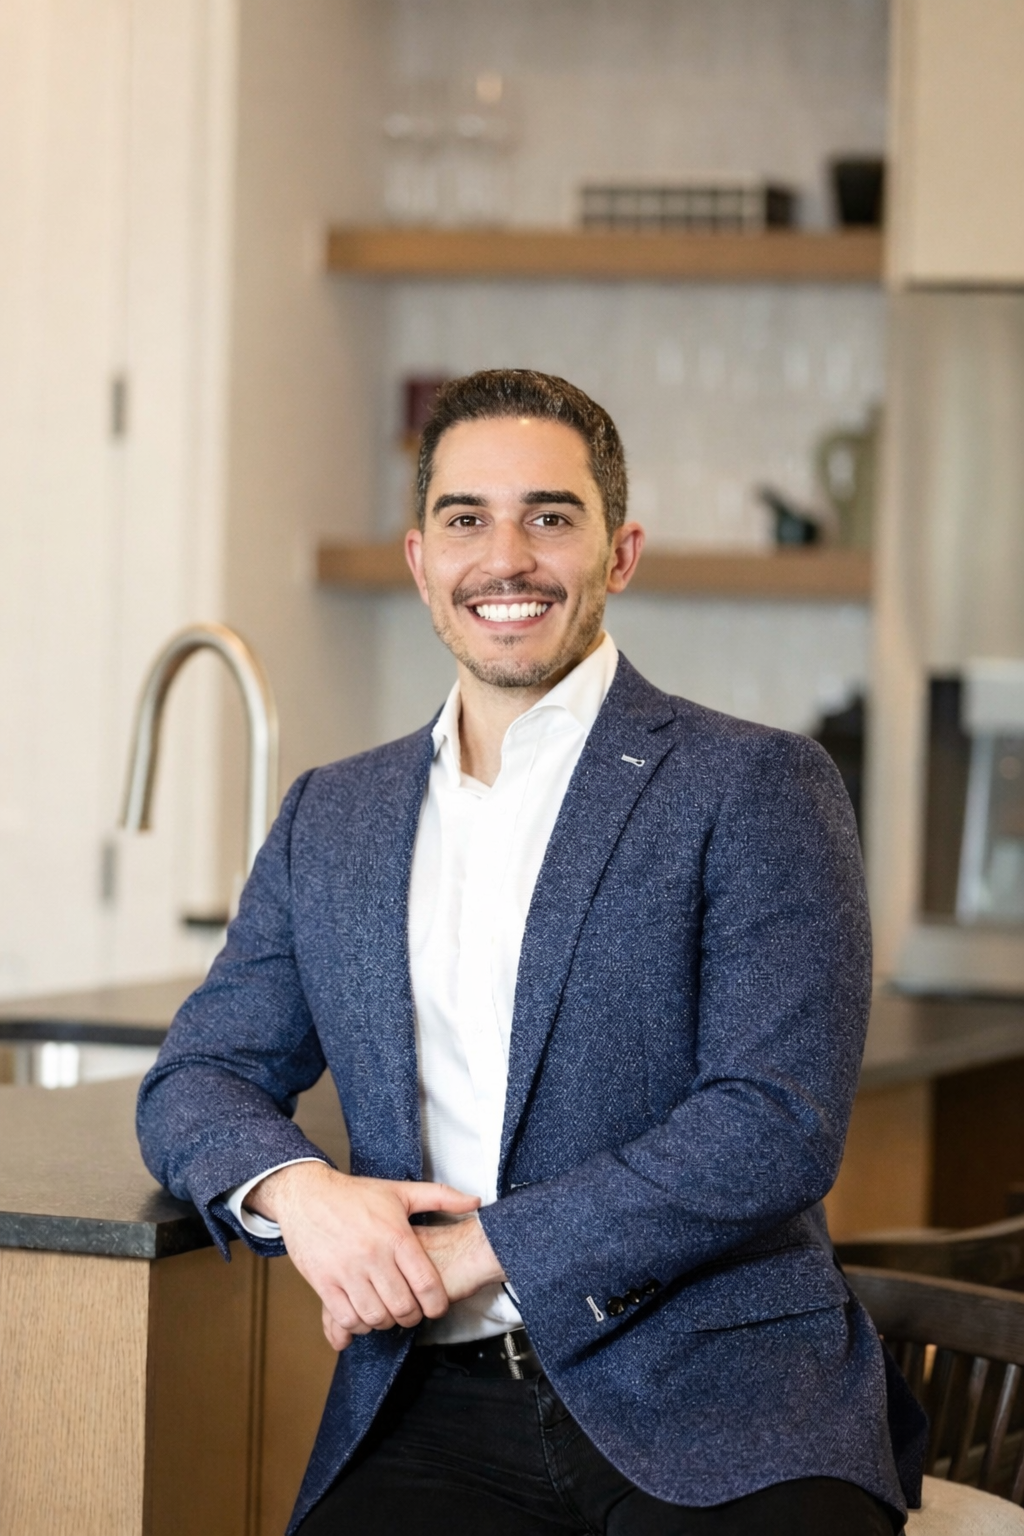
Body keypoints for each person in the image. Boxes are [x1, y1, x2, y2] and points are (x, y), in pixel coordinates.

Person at [137, 370, 925, 1536]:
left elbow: (774, 1122)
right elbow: (197, 1077)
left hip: (719, 1404)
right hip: (432, 1408)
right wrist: (299, 1194)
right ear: (419, 559)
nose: (504, 558)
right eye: (466, 520)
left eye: (550, 517)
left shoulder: (754, 784)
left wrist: (479, 1253)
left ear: (620, 553)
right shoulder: (332, 816)